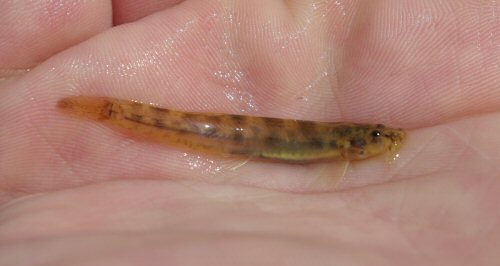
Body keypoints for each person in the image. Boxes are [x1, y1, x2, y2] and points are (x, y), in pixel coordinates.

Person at [1, 1, 498, 265]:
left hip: (241, 137)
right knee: (162, 122)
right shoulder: (345, 148)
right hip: (234, 133)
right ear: (355, 143)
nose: (384, 140)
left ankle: (114, 113)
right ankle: (114, 112)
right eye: (378, 136)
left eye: (380, 135)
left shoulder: (349, 146)